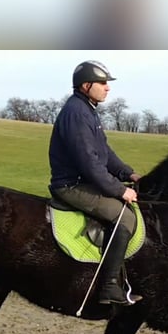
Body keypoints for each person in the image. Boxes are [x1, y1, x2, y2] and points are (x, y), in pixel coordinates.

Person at [49, 60, 142, 306]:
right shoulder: (77, 113)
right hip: (71, 185)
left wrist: (128, 174)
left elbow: (104, 151)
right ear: (85, 85)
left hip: (83, 181)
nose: (107, 88)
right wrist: (120, 191)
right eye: (102, 83)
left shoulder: (88, 109)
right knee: (124, 217)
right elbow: (89, 163)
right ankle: (109, 286)